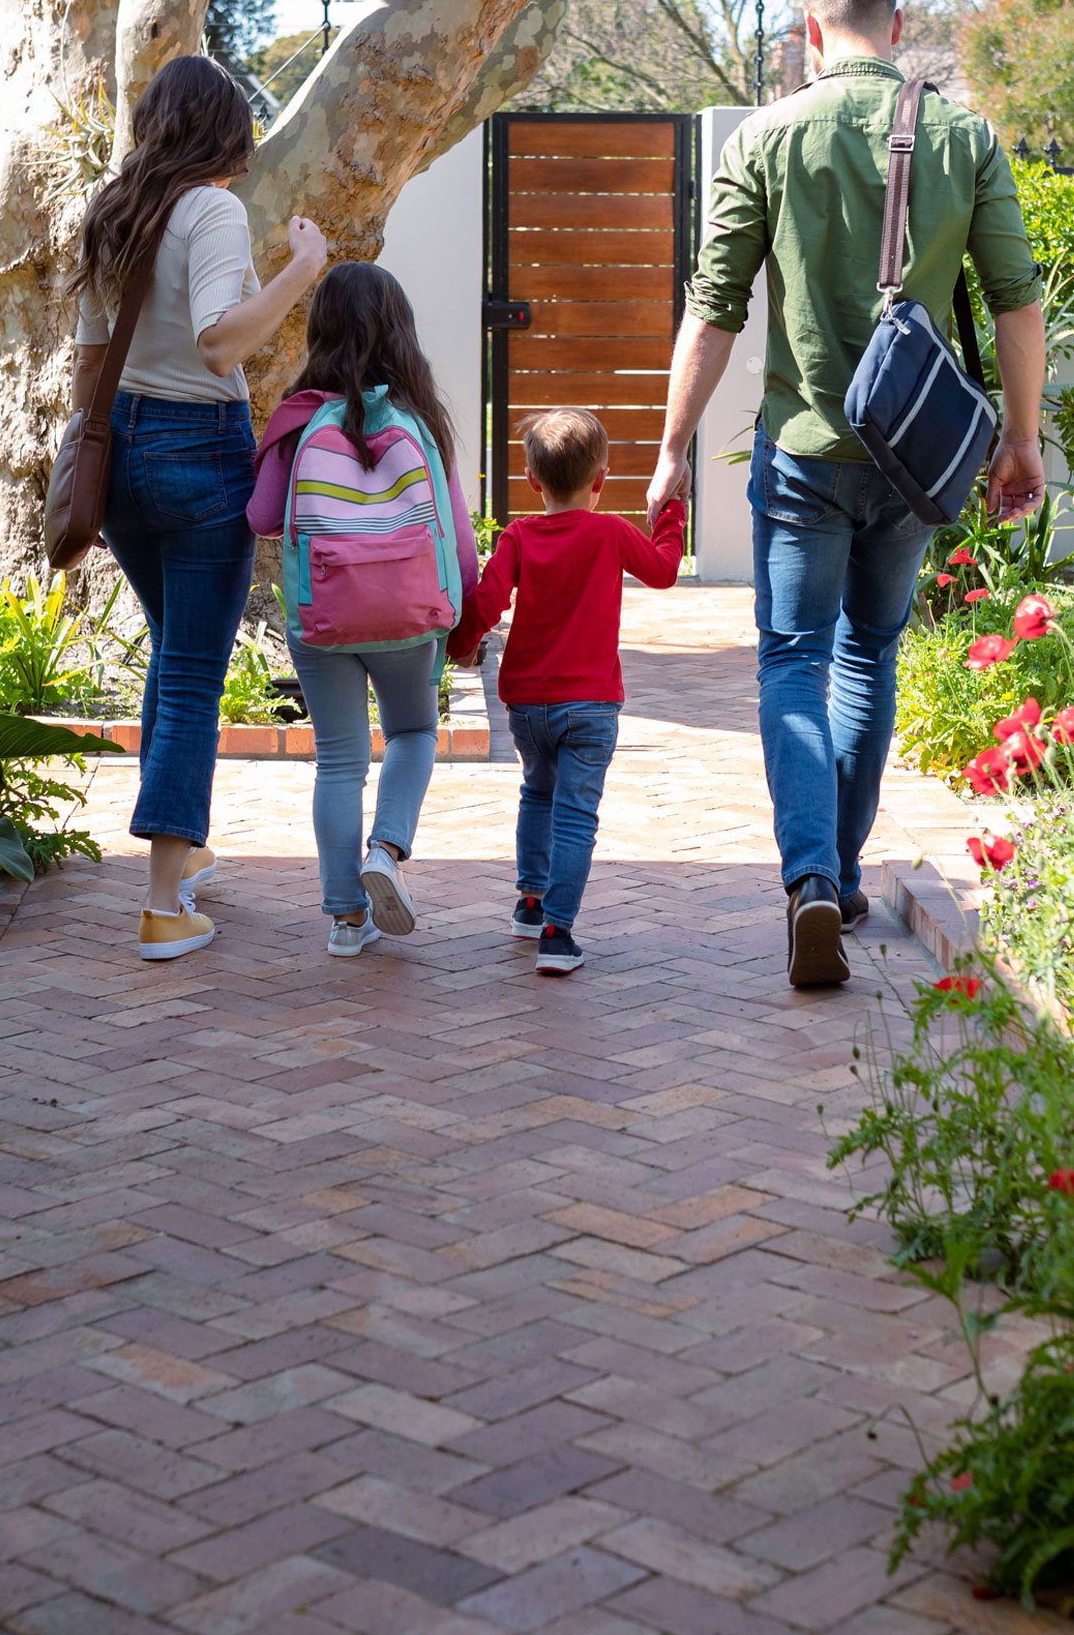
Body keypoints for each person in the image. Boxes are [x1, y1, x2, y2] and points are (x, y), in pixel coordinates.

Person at [645, 0, 1046, 988]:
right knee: (867, 652)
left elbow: (711, 310)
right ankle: (842, 871)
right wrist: (1012, 440)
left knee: (790, 658)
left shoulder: (767, 137)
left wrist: (669, 446)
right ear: (895, 22)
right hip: (913, 456)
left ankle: (809, 877)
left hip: (801, 451)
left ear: (808, 31)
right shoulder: (961, 135)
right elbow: (1014, 296)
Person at [72, 54, 328, 962]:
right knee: (190, 678)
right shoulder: (212, 209)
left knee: (173, 657)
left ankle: (188, 844)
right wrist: (302, 268)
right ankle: (161, 901)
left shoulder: (112, 211)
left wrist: (87, 455)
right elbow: (222, 343)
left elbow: (87, 358)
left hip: (121, 458)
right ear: (224, 129)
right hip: (195, 451)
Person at [248, 264, 477, 957]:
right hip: (409, 614)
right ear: (401, 333)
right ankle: (385, 850)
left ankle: (347, 919)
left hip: (323, 617)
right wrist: (464, 618)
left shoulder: (297, 420)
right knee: (412, 732)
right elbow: (458, 536)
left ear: (318, 331)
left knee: (339, 762)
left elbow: (260, 516)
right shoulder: (422, 419)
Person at [452, 411, 685, 972]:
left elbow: (487, 600)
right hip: (592, 704)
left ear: (533, 480)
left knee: (537, 792)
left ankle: (530, 902)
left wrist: (459, 643)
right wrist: (672, 513)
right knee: (576, 815)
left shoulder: (519, 535)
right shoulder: (611, 532)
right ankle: (558, 933)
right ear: (600, 479)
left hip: (527, 704)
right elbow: (662, 570)